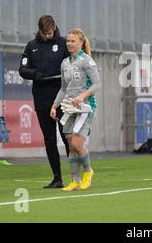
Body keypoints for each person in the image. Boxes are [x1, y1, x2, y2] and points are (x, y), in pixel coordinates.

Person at [19, 15, 70, 189]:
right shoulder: (31, 46)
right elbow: (23, 69)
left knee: (67, 137)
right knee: (49, 139)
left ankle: (75, 176)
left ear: (54, 28)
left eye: (50, 32)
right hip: (42, 99)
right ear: (39, 30)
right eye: (44, 33)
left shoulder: (64, 44)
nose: (48, 36)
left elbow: (74, 65)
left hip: (63, 100)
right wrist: (35, 74)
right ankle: (57, 178)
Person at [50, 28, 101, 191]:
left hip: (86, 108)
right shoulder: (65, 63)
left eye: (73, 41)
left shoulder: (87, 61)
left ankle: (88, 171)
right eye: (68, 41)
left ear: (81, 43)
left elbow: (97, 84)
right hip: (70, 109)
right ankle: (74, 181)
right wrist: (55, 105)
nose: (69, 44)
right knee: (71, 145)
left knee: (78, 143)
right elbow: (63, 89)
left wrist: (82, 96)